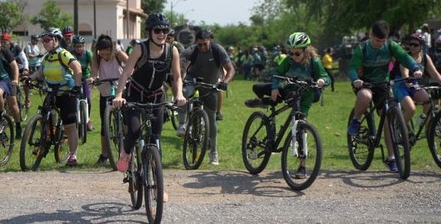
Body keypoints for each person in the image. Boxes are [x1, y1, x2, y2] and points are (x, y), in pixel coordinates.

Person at [245, 31, 329, 178]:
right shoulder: (289, 61)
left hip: (306, 97)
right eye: (291, 53)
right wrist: (275, 87)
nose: (293, 56)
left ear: (306, 50)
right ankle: (263, 102)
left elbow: (325, 77)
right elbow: (277, 72)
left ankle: (302, 167)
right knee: (272, 95)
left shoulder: (314, 62)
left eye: (297, 53)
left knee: (301, 128)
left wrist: (322, 81)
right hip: (289, 91)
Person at [112, 13, 186, 175]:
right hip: (135, 94)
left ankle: (157, 185)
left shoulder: (172, 51)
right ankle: (126, 153)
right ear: (149, 32)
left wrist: (179, 94)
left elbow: (177, 76)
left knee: (155, 137)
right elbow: (126, 73)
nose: (161, 34)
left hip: (156, 96)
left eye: (165, 30)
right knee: (135, 131)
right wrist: (119, 95)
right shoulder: (140, 48)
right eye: (157, 30)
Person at [347, 21, 422, 172]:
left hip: (383, 85)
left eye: (382, 41)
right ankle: (356, 120)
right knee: (366, 97)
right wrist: (355, 79)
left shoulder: (390, 45)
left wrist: (414, 68)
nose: (380, 44)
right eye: (377, 40)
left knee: (388, 118)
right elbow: (352, 68)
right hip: (364, 83)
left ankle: (391, 158)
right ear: (370, 35)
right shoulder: (362, 48)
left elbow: (404, 57)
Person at [178, 29, 235, 165]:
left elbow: (231, 69)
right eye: (199, 45)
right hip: (193, 80)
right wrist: (182, 76)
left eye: (204, 44)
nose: (202, 47)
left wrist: (224, 82)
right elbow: (181, 65)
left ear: (210, 40)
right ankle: (182, 124)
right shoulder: (192, 50)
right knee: (184, 93)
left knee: (211, 119)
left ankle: (213, 153)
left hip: (211, 84)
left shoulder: (218, 50)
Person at [27, 27, 83, 166]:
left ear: (56, 40)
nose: (44, 43)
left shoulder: (62, 54)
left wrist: (76, 87)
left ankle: (72, 155)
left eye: (47, 40)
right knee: (43, 117)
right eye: (43, 41)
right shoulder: (47, 57)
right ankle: (45, 140)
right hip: (52, 92)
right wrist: (29, 79)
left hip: (66, 93)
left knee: (69, 126)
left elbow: (77, 67)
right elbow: (40, 73)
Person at [89, 34, 128, 165]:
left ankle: (128, 151)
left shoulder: (118, 54)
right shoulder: (96, 57)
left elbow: (130, 64)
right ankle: (104, 154)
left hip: (120, 89)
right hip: (105, 90)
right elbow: (94, 73)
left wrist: (131, 73)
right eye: (102, 54)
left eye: (107, 54)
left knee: (126, 121)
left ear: (112, 49)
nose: (105, 56)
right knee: (104, 125)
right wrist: (92, 79)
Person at [392, 32, 441, 136]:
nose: (412, 47)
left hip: (413, 84)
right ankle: (397, 129)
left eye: (416, 45)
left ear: (422, 46)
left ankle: (428, 129)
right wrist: (407, 82)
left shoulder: (425, 57)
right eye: (410, 44)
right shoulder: (405, 56)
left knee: (428, 100)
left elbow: (435, 74)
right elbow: (405, 74)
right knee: (411, 109)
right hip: (400, 84)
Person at [0, 34, 22, 139]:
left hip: (9, 80)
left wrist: (15, 79)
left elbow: (14, 66)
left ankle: (18, 126)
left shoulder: (5, 51)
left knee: (13, 106)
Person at [70, 35, 94, 131]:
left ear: (83, 46)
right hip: (74, 78)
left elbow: (94, 66)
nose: (79, 48)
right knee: (74, 99)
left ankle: (88, 120)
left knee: (87, 99)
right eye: (76, 46)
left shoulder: (88, 54)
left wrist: (93, 77)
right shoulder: (70, 54)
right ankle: (75, 118)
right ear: (73, 46)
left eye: (80, 46)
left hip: (86, 77)